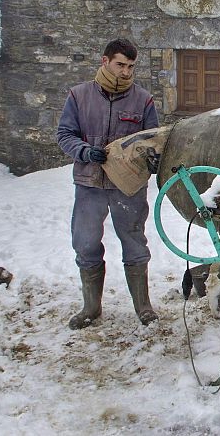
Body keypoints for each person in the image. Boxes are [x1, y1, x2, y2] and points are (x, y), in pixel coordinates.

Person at [57, 38, 160, 329]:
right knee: (86, 243)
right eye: (120, 65)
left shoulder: (143, 100)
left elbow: (153, 141)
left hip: (128, 187)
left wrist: (152, 160)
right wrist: (84, 151)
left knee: (135, 243)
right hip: (90, 183)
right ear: (105, 61)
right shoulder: (79, 96)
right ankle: (91, 308)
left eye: (130, 66)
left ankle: (144, 307)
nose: (126, 72)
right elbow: (65, 134)